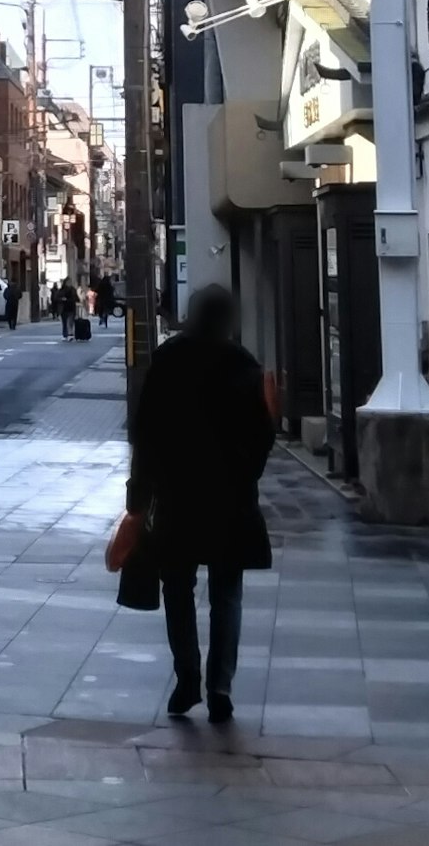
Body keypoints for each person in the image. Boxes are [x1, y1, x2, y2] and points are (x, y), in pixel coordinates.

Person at [127, 284, 274, 724]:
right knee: (227, 594)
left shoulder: (170, 360)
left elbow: (147, 430)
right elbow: (263, 434)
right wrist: (246, 473)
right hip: (230, 498)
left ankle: (187, 675)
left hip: (178, 496)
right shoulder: (242, 364)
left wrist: (140, 488)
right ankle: (221, 686)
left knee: (178, 588)